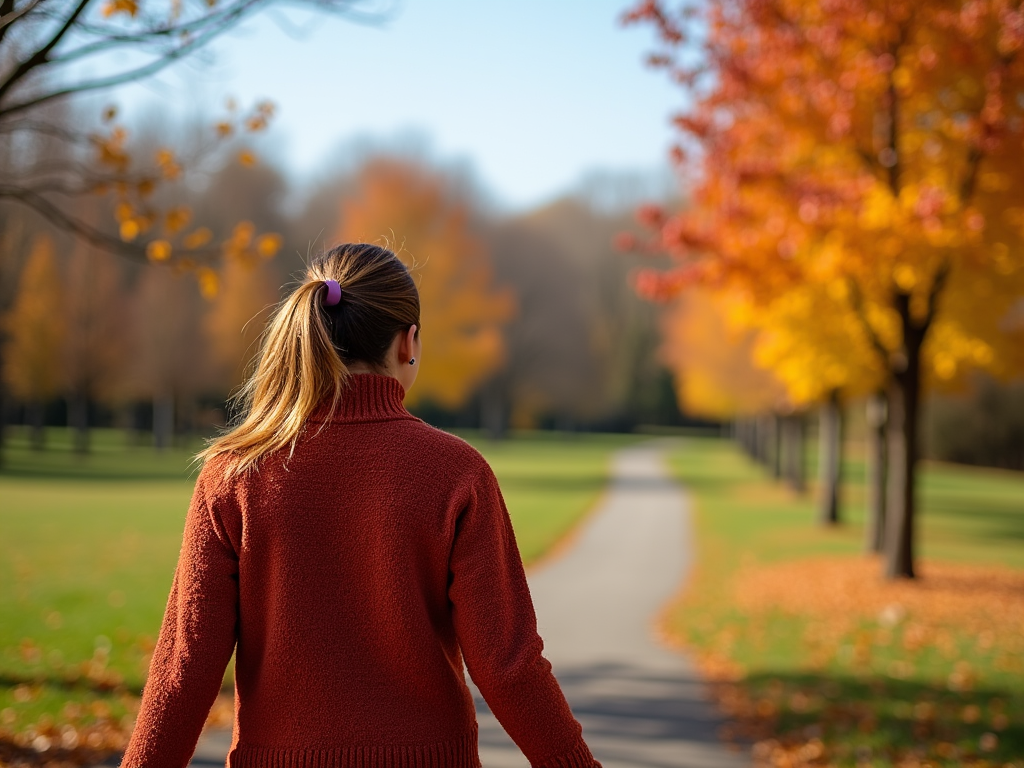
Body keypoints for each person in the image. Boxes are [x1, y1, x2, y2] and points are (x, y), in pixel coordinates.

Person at [120, 243, 600, 768]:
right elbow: (508, 665)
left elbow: (184, 668)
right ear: (408, 342)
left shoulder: (234, 475)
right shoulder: (456, 472)